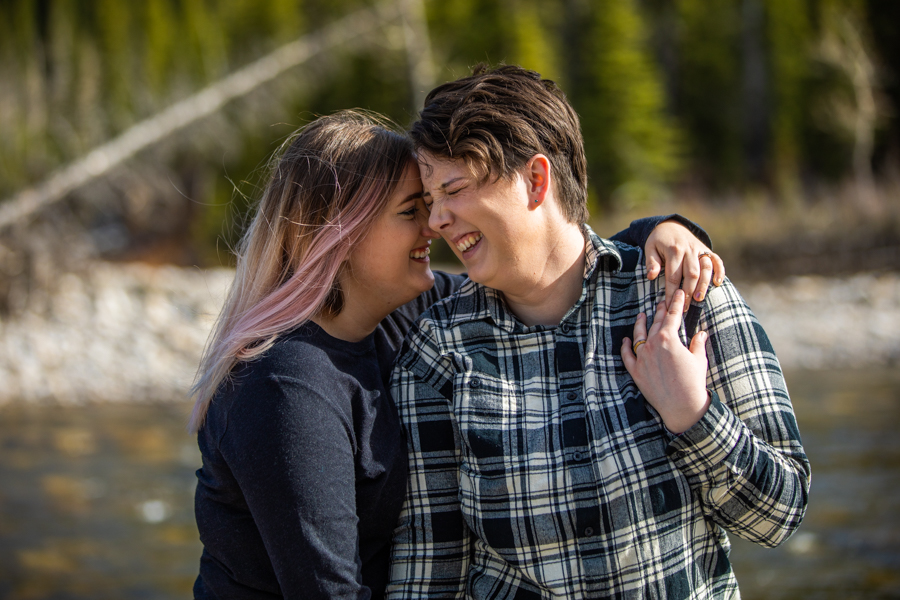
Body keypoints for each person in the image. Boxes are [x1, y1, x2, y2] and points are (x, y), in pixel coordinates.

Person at [189, 110, 723, 599]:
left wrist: (661, 232)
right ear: (339, 235)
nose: (434, 226)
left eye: (433, 206)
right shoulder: (286, 387)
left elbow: (550, 269)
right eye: (411, 211)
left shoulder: (401, 314)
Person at [387, 66, 810, 599]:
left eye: (453, 190)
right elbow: (431, 563)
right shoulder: (438, 351)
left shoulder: (681, 293)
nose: (437, 221)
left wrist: (692, 415)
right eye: (430, 201)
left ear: (536, 181)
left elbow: (782, 513)